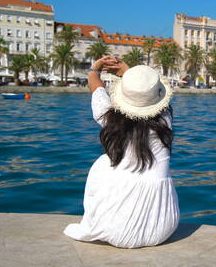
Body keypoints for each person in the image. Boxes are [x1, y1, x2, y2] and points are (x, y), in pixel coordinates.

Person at [64, 55, 179, 248]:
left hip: (116, 231)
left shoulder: (109, 119)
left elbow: (96, 87)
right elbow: (145, 92)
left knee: (103, 163)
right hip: (163, 228)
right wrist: (129, 71)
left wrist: (95, 68)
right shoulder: (165, 121)